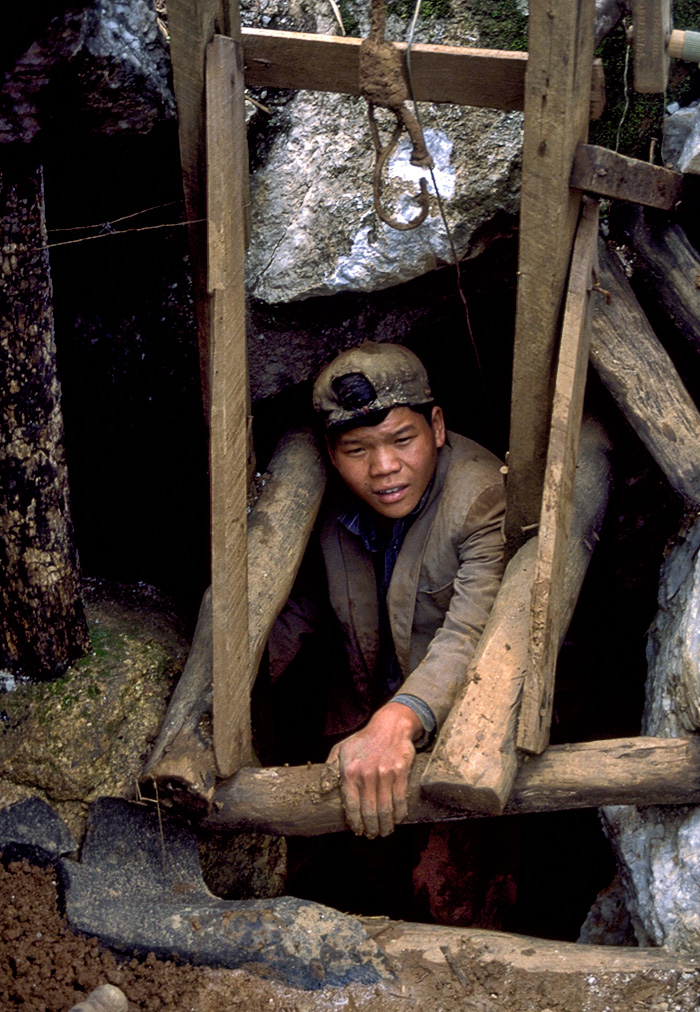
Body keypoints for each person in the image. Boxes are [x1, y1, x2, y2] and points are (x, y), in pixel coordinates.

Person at [268, 341, 506, 839]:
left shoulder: (480, 498)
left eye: (402, 440)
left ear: (437, 427)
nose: (383, 467)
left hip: (451, 733)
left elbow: (471, 632)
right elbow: (299, 601)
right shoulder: (330, 502)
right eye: (358, 449)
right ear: (331, 455)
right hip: (360, 717)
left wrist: (398, 721)